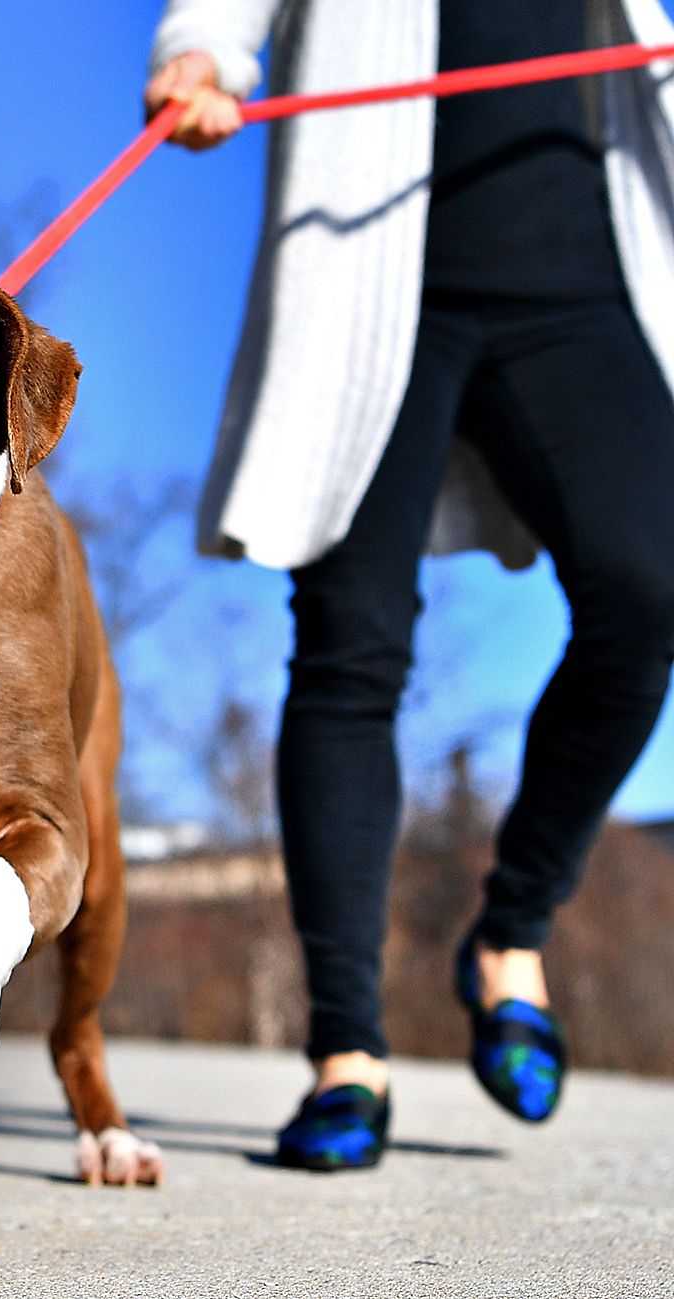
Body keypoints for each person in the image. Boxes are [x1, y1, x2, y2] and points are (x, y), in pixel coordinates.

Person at [145, 0, 674, 1170]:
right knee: (350, 644)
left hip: (587, 276)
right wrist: (198, 55)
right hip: (368, 271)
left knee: (650, 596)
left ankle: (510, 932)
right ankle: (345, 1053)